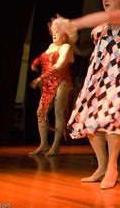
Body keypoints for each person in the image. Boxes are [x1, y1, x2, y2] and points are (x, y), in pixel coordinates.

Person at [52, 0, 120, 190]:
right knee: (90, 120)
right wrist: (69, 35)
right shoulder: (100, 27)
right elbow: (94, 41)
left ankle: (113, 166)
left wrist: (72, 23)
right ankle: (102, 166)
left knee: (115, 118)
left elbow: (104, 18)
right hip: (98, 75)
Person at [29, 23, 75, 157]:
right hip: (48, 83)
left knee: (58, 112)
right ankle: (43, 144)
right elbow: (42, 57)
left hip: (62, 81)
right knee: (40, 112)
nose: (54, 34)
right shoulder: (51, 46)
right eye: (53, 31)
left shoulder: (66, 47)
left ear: (65, 35)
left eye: (58, 32)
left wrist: (39, 79)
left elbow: (59, 66)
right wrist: (35, 62)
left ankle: (55, 146)